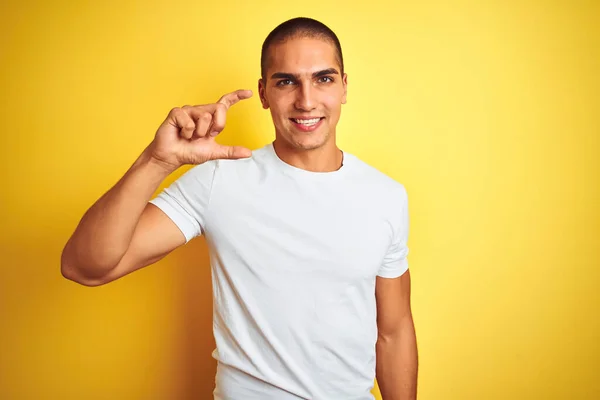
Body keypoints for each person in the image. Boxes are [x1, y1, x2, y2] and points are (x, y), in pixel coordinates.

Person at [61, 16, 418, 400]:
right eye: (286, 81)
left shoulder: (386, 196)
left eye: (323, 78)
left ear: (344, 87)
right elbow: (85, 267)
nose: (307, 100)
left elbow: (393, 331)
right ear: (264, 93)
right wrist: (156, 161)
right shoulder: (219, 181)